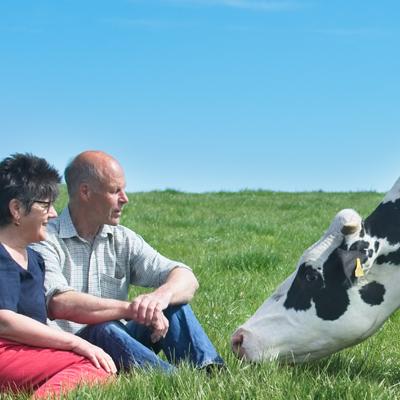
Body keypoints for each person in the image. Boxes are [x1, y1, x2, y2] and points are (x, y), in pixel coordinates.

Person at [32, 150, 224, 373]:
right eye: (115, 191)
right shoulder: (44, 238)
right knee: (103, 328)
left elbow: (185, 276)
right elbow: (59, 303)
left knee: (173, 306)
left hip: (121, 344)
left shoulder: (123, 239)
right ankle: (172, 382)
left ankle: (211, 373)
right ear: (85, 191)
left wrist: (158, 299)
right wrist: (132, 310)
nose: (125, 199)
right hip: (74, 353)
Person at [0, 153, 116, 399]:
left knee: (96, 366)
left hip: (22, 353)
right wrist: (75, 343)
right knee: (91, 367)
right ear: (16, 209)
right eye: (46, 205)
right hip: (4, 351)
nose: (53, 214)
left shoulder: (35, 260)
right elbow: (4, 321)